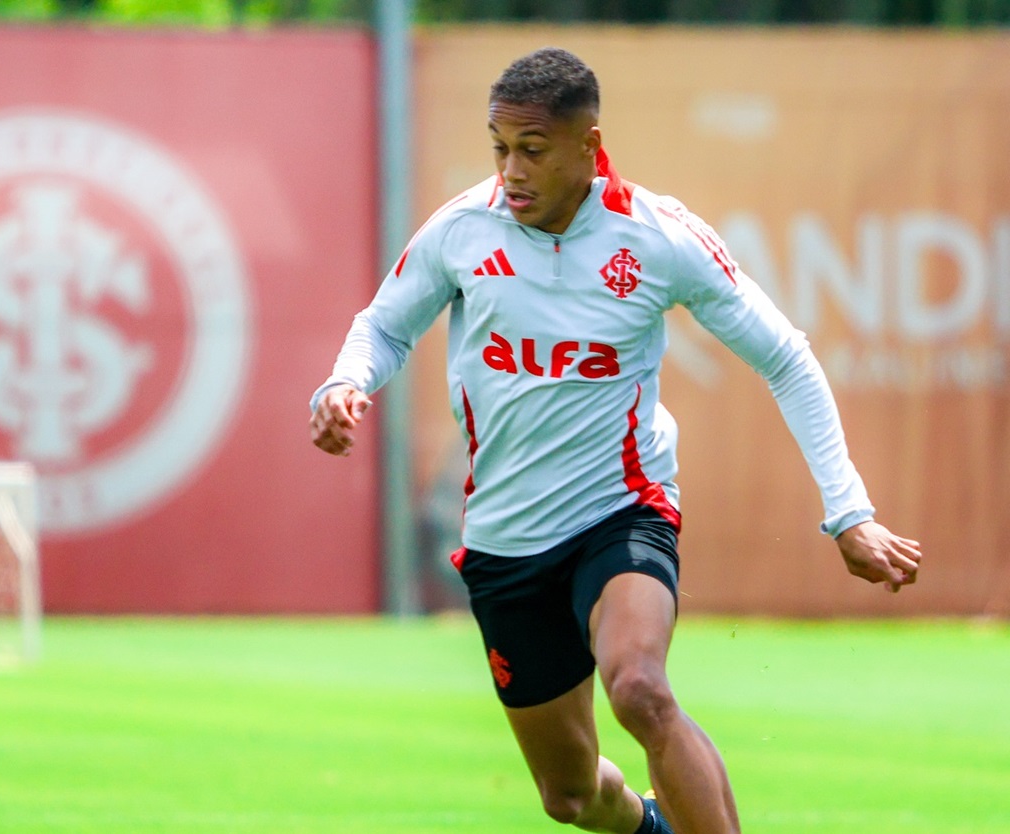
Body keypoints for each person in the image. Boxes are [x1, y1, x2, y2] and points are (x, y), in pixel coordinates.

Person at [308, 47, 922, 834]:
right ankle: (650, 825)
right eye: (499, 147)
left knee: (639, 689)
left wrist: (849, 511)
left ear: (589, 146)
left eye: (533, 150)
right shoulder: (463, 230)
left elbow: (786, 357)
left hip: (621, 510)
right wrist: (343, 382)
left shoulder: (657, 236)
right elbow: (383, 327)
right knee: (569, 797)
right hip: (505, 540)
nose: (511, 170)